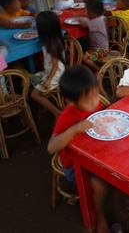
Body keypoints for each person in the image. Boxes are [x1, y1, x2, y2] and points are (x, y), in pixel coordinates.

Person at [47, 65, 109, 233]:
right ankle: (100, 216)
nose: (96, 101)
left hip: (96, 154)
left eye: (96, 94)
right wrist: (74, 129)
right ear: (71, 101)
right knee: (100, 185)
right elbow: (51, 148)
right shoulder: (67, 117)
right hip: (74, 165)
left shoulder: (95, 105)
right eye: (89, 98)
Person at [31, 11, 65, 117]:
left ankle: (56, 112)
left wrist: (49, 80)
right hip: (51, 71)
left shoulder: (52, 44)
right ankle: (45, 104)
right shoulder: (54, 39)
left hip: (56, 74)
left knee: (34, 95)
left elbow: (55, 66)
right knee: (33, 79)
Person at [79, 0, 109, 71]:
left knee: (84, 58)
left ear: (93, 12)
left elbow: (83, 24)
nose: (86, 12)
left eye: (87, 10)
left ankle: (99, 70)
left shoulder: (96, 22)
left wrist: (78, 18)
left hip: (100, 51)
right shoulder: (102, 18)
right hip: (103, 48)